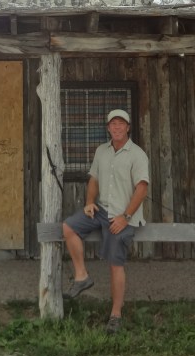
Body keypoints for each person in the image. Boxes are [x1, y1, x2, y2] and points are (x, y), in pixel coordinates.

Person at [62, 108, 150, 334]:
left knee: (115, 264)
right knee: (68, 227)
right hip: (101, 210)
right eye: (113, 124)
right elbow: (93, 178)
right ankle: (81, 276)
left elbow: (141, 189)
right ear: (108, 128)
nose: (117, 127)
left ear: (128, 127)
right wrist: (90, 201)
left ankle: (115, 315)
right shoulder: (102, 151)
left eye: (121, 123)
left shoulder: (137, 154)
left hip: (123, 216)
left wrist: (125, 217)